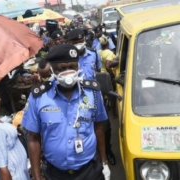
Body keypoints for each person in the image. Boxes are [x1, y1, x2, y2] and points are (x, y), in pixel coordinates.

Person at [22, 44, 111, 180]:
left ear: (78, 66)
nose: (68, 72)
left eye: (72, 67)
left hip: (89, 170)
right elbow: (33, 138)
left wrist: (104, 162)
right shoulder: (39, 97)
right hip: (55, 173)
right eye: (61, 69)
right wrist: (37, 176)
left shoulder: (93, 92)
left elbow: (99, 126)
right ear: (52, 69)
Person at [98, 36, 117, 165]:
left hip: (99, 89)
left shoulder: (95, 53)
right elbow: (107, 66)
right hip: (104, 81)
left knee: (106, 128)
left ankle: (107, 151)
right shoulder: (108, 53)